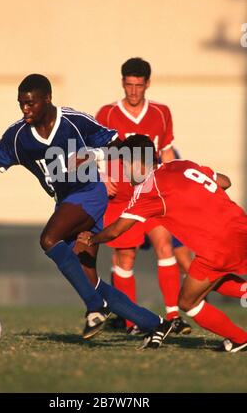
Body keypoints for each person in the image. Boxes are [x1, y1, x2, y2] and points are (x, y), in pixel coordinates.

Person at [0, 74, 172, 346]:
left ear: (47, 99)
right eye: (21, 104)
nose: (25, 109)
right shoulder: (17, 137)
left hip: (89, 193)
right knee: (91, 280)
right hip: (65, 202)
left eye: (31, 103)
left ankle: (95, 307)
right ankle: (155, 323)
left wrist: (96, 155)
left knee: (48, 239)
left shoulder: (74, 121)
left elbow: (114, 144)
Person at [78, 134, 247, 352]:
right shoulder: (180, 164)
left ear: (137, 163)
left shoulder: (149, 189)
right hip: (240, 227)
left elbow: (116, 230)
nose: (124, 172)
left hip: (216, 247)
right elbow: (225, 181)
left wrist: (91, 238)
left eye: (125, 165)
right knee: (214, 281)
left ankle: (240, 338)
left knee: (188, 303)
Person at [95, 57, 192, 333]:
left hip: (153, 193)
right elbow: (93, 151)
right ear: (122, 83)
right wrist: (103, 177)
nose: (133, 91)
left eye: (139, 85)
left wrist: (174, 183)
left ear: (148, 83)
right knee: (125, 258)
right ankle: (131, 321)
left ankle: (173, 316)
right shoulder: (108, 113)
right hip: (123, 199)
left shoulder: (161, 113)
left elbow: (168, 152)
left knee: (165, 246)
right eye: (129, 85)